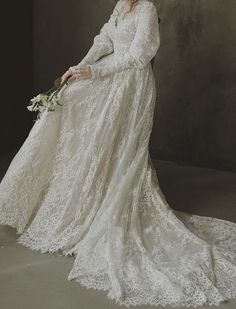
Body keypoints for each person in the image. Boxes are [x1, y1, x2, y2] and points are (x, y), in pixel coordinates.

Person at [0, 0, 236, 306]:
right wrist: (78, 67)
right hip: (109, 77)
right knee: (64, 106)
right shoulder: (121, 5)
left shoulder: (146, 9)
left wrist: (94, 73)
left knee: (113, 145)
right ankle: (66, 199)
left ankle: (103, 202)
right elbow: (104, 40)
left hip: (131, 84)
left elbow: (140, 56)